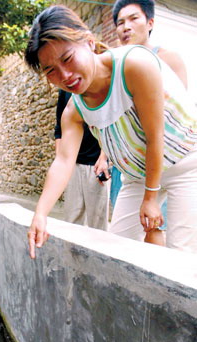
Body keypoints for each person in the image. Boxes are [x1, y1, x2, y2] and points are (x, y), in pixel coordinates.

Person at [24, 5, 197, 259]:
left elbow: (154, 135)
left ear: (89, 42)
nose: (65, 76)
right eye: (51, 71)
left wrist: (150, 198)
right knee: (119, 251)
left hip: (186, 164)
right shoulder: (74, 109)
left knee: (181, 255)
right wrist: (40, 214)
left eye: (67, 59)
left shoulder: (134, 65)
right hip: (137, 175)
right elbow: (63, 161)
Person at [113, 0, 188, 246]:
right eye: (120, 22)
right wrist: (105, 156)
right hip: (138, 165)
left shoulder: (169, 59)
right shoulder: (115, 67)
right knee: (122, 239)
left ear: (150, 23)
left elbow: (179, 118)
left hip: (177, 161)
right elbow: (116, 122)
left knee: (180, 246)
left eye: (134, 19)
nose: (126, 27)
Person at [55, 89, 109, 230]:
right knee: (71, 220)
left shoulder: (98, 85)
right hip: (72, 163)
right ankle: (71, 252)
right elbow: (59, 129)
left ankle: (98, 252)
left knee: (97, 221)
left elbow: (109, 124)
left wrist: (104, 158)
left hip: (96, 163)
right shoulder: (65, 90)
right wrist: (60, 163)